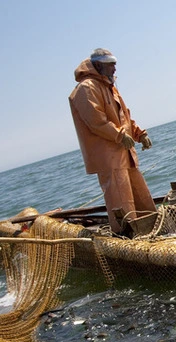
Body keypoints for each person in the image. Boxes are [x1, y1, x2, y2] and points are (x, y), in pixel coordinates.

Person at [69, 48, 156, 234]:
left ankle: (152, 229)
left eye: (115, 64)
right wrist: (119, 135)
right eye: (111, 65)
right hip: (109, 157)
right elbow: (95, 121)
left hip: (125, 154)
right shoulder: (86, 88)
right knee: (120, 201)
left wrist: (140, 134)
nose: (115, 69)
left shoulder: (110, 87)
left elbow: (125, 116)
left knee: (141, 197)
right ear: (99, 65)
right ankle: (128, 238)